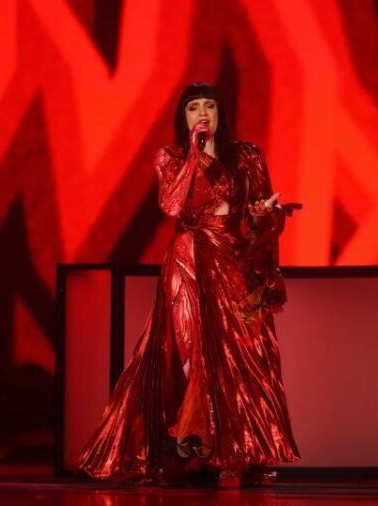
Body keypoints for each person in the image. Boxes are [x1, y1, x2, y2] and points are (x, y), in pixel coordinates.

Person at [78, 82, 300, 487]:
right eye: (193, 107)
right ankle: (192, 448)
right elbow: (171, 204)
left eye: (209, 106)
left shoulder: (247, 157)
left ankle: (241, 450)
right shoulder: (173, 157)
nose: (202, 114)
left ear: (220, 113)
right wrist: (195, 156)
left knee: (242, 352)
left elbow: (261, 218)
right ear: (183, 116)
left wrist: (265, 215)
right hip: (189, 259)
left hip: (234, 261)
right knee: (191, 349)